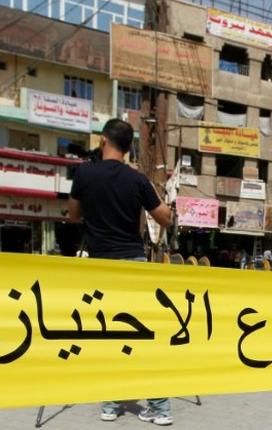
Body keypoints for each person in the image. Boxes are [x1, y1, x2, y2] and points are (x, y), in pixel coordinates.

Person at [68, 118, 175, 426]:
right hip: (133, 265)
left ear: (104, 140)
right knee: (142, 335)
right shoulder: (137, 179)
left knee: (107, 334)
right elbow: (164, 219)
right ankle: (159, 407)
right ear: (129, 148)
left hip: (101, 266)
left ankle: (111, 404)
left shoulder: (84, 174)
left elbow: (73, 216)